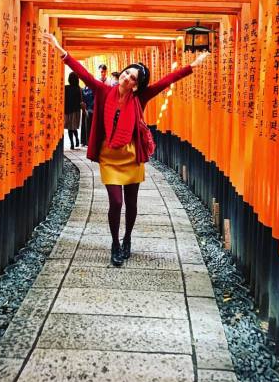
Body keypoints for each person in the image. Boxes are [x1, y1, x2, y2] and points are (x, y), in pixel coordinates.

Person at [43, 32, 209, 265]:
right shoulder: (102, 91)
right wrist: (61, 50)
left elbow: (166, 81)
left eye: (133, 78)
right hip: (109, 156)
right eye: (126, 73)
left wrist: (191, 66)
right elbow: (83, 73)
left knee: (131, 203)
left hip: (131, 157)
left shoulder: (139, 99)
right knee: (116, 202)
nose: (127, 78)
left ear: (137, 85)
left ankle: (128, 237)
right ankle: (115, 242)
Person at [64, 71, 82, 150]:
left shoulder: (66, 88)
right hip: (76, 110)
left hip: (68, 110)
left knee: (69, 128)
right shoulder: (79, 89)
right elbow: (81, 100)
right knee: (74, 127)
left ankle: (72, 143)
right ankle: (77, 139)